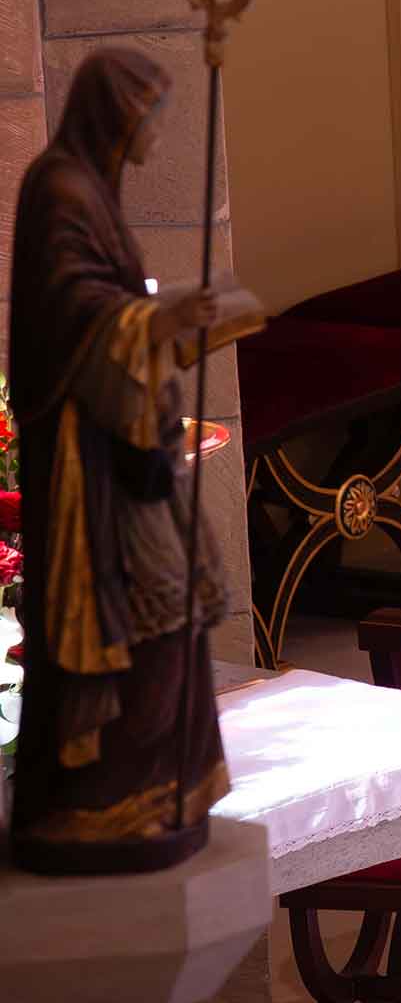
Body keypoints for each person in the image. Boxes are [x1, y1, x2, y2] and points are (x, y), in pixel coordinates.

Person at [8, 48, 233, 873]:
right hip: (87, 462)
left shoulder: (91, 189)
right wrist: (160, 319)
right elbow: (68, 318)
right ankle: (107, 799)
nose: (157, 132)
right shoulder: (60, 189)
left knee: (176, 609)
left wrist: (168, 319)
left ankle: (155, 789)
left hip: (127, 441)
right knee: (150, 614)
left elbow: (106, 306)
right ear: (117, 113)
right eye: (151, 115)